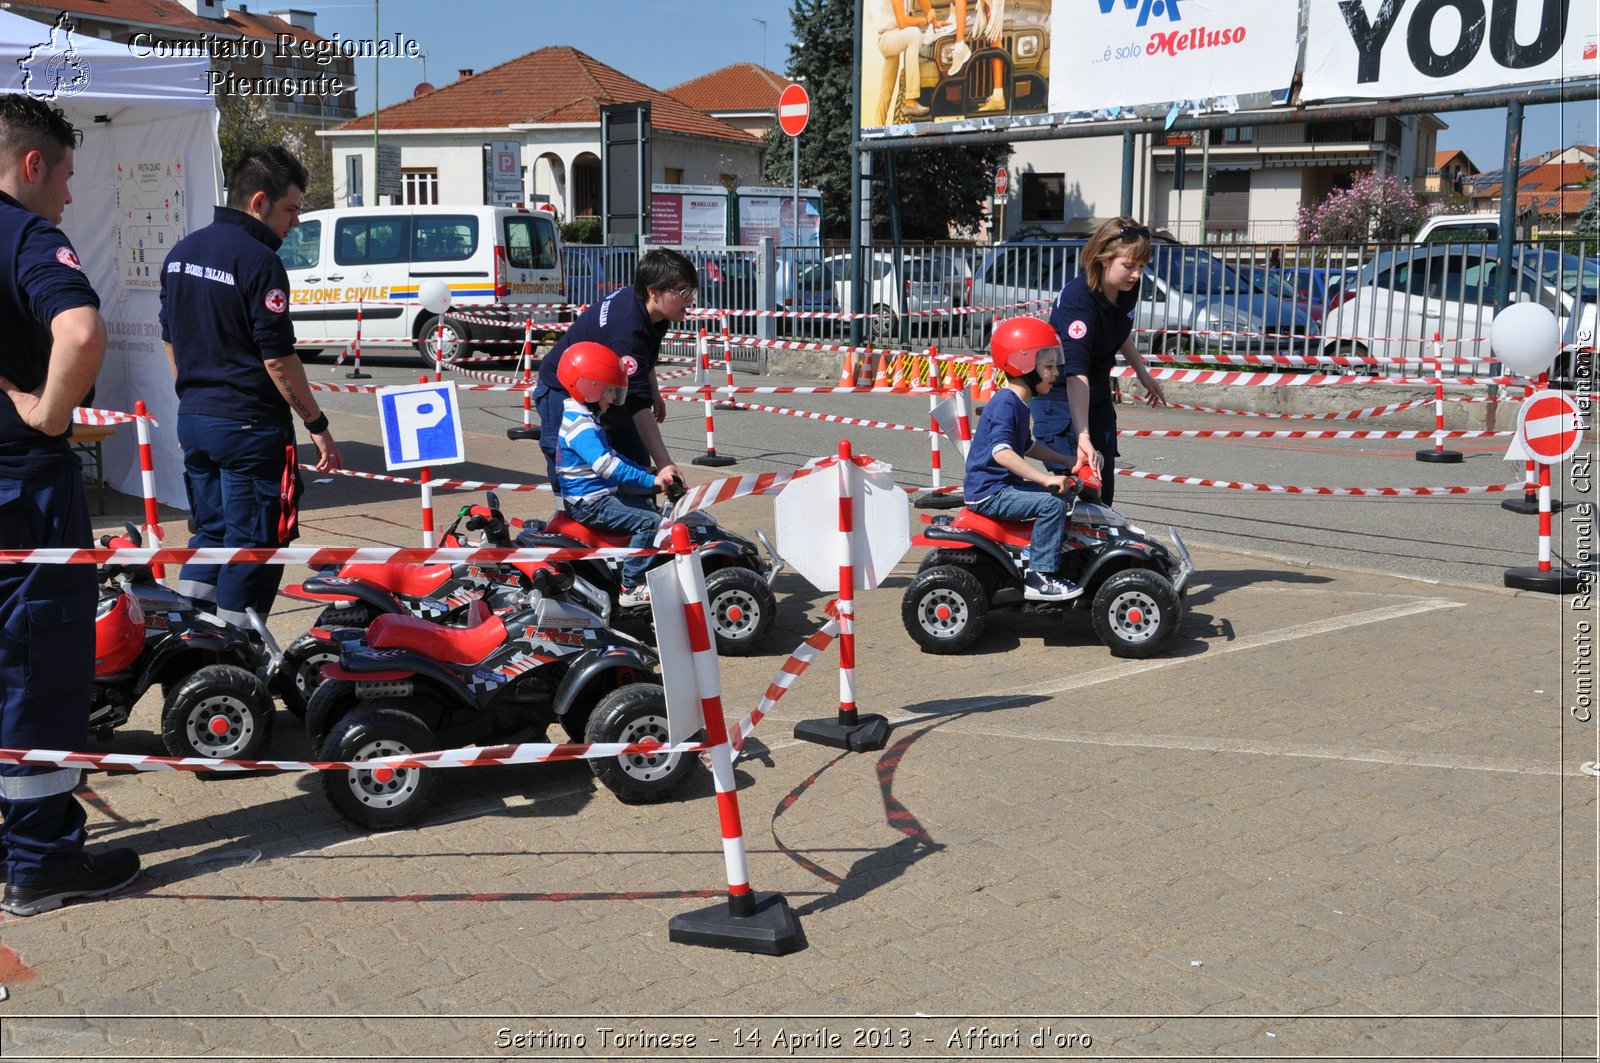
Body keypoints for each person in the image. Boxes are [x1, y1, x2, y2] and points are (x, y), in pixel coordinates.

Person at [0, 95, 140, 916]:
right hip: (23, 486)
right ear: (32, 164)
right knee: (41, 668)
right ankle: (43, 859)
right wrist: (51, 414)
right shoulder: (29, 236)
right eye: (66, 177)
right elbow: (81, 334)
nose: (69, 196)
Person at [161, 146, 342, 629]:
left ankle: (189, 641)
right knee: (256, 544)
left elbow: (170, 340)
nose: (295, 222)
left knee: (211, 534)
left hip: (195, 419)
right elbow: (279, 359)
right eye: (291, 208)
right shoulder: (259, 261)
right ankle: (236, 660)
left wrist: (195, 394)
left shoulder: (183, 251)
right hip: (248, 428)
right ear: (259, 201)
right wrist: (317, 423)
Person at [533, 248, 691, 501]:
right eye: (682, 291)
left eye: (691, 290)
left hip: (607, 390)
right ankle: (568, 529)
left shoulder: (652, 312)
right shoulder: (626, 329)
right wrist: (664, 464)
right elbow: (637, 403)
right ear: (653, 291)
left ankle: (634, 523)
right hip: (564, 390)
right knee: (573, 473)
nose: (689, 298)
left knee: (636, 464)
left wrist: (655, 393)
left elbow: (643, 359)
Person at [1038, 216, 1168, 508]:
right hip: (1061, 398)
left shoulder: (1126, 289)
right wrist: (1083, 435)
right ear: (1104, 259)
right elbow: (1075, 374)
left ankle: (1091, 552)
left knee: (1102, 489)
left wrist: (1142, 374)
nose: (1136, 275)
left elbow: (1118, 331)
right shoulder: (1078, 302)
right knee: (1074, 490)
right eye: (1129, 265)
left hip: (1095, 396)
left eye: (1142, 266)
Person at [963, 316, 1083, 602]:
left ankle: (1042, 550)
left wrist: (1067, 461)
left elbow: (1027, 445)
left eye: (1056, 365)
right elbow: (1002, 452)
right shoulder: (1006, 403)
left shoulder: (1020, 402)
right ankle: (1040, 576)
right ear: (1023, 364)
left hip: (1001, 488)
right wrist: (1044, 478)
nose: (1055, 373)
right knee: (1052, 504)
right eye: (1048, 366)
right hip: (990, 493)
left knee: (1066, 495)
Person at [554, 342, 675, 607]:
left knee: (644, 504)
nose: (612, 398)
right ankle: (630, 585)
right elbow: (608, 466)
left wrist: (645, 471)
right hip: (591, 503)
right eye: (610, 391)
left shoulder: (584, 417)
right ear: (589, 388)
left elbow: (614, 456)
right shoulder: (581, 427)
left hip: (596, 495)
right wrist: (652, 483)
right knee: (650, 521)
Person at [874, 0, 939, 123]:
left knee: (887, 87)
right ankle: (910, 101)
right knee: (914, 34)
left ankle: (878, 124)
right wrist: (925, 20)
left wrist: (935, 22)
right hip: (887, 37)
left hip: (892, 34)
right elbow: (902, 22)